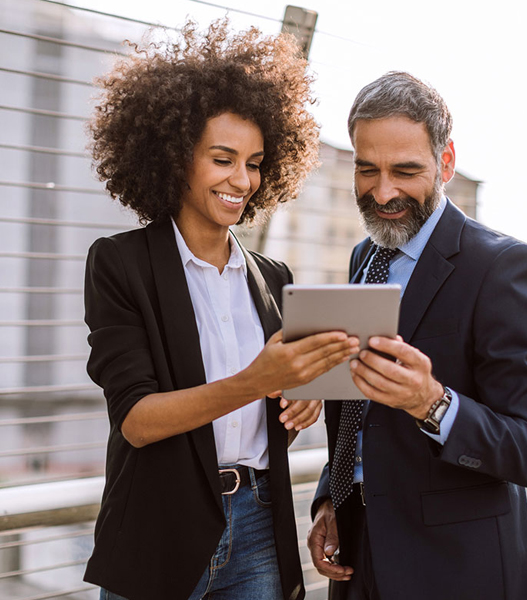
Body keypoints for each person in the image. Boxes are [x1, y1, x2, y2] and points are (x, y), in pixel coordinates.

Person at [83, 21, 359, 600]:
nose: (243, 180)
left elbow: (269, 418)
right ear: (175, 156)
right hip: (160, 528)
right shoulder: (120, 263)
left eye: (255, 162)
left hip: (259, 521)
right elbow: (136, 419)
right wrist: (254, 381)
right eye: (223, 159)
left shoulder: (273, 278)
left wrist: (300, 396)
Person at [307, 71, 527, 600]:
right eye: (367, 169)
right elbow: (359, 412)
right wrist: (333, 497)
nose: (383, 191)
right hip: (361, 559)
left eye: (405, 170)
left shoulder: (505, 267)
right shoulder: (363, 258)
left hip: (461, 572)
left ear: (445, 162)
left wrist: (432, 402)